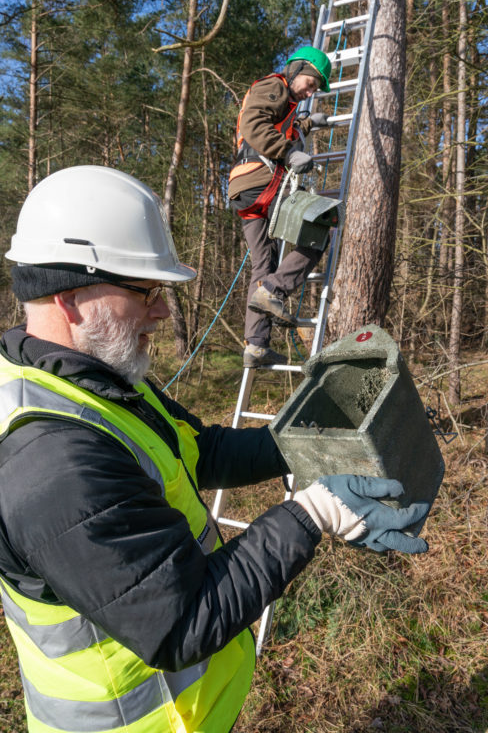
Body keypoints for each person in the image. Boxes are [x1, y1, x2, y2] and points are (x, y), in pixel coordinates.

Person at [0, 165, 430, 733]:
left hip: (197, 711)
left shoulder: (94, 382)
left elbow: (195, 452)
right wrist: (314, 512)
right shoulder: (52, 462)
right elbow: (183, 622)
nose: (161, 311)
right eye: (146, 291)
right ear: (74, 299)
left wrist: (295, 441)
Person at [229, 46, 333, 368]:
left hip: (245, 190)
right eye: (311, 83)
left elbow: (279, 126)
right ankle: (275, 289)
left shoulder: (285, 103)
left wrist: (307, 125)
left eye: (314, 89)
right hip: (261, 183)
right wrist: (289, 154)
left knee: (263, 265)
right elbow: (254, 124)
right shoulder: (274, 86)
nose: (309, 92)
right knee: (318, 229)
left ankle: (255, 346)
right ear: (296, 69)